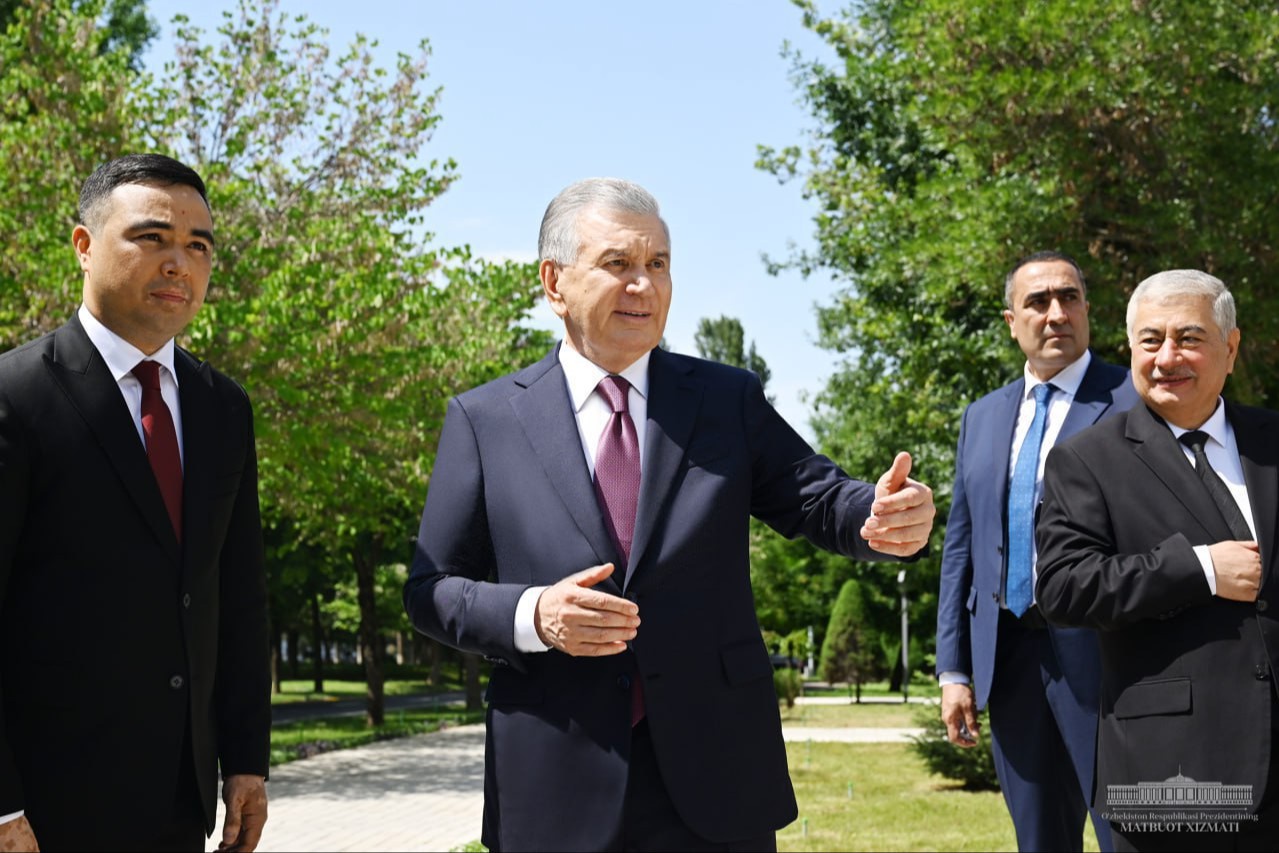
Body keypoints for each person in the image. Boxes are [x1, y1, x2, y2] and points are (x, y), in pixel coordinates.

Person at [404, 177, 935, 852]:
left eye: (658, 264)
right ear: (554, 282)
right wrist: (534, 615)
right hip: (556, 780)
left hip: (716, 775)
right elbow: (430, 589)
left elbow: (818, 497)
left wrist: (879, 515)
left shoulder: (726, 399)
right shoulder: (484, 420)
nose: (644, 285)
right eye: (618, 263)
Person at [0, 154, 271, 852]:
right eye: (151, 238)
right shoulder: (15, 397)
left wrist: (246, 760)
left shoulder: (223, 407)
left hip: (181, 803)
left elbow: (237, 597)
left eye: (198, 245)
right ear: (84, 246)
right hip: (42, 812)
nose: (179, 262)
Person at [1036, 270, 1278, 852]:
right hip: (1169, 768)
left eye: (1189, 338)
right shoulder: (1085, 460)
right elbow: (1064, 588)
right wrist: (1200, 569)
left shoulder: (1272, 440)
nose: (1168, 357)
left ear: (1231, 348)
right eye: (1151, 340)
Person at [935, 251, 1136, 852]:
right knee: (1039, 841)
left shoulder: (1134, 399)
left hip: (1112, 664)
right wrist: (954, 670)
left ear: (1087, 310)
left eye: (1069, 298)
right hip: (1010, 662)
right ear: (1011, 321)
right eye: (1038, 301)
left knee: (1131, 837)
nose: (1056, 314)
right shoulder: (982, 416)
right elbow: (962, 547)